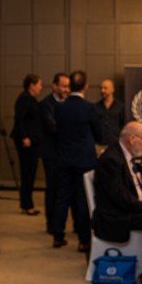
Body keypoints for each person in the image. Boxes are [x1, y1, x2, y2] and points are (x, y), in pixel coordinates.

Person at [93, 122, 142, 247]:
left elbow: (131, 169)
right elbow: (120, 197)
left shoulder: (121, 153)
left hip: (125, 209)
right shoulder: (111, 160)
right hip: (117, 217)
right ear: (132, 139)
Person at [53, 70, 104, 251]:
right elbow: (99, 134)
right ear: (86, 87)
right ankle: (83, 241)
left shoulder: (60, 107)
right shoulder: (90, 107)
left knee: (62, 197)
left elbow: (58, 132)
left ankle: (58, 237)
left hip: (64, 157)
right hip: (84, 159)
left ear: (70, 87)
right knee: (83, 199)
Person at [39, 73, 70, 233]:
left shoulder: (68, 103)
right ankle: (51, 224)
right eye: (63, 86)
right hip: (51, 154)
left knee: (65, 190)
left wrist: (60, 123)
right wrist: (67, 125)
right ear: (54, 86)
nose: (66, 89)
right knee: (52, 189)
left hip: (66, 153)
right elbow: (51, 127)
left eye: (68, 86)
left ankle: (62, 223)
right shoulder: (45, 104)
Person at [11, 74, 42, 215]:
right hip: (26, 141)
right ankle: (27, 205)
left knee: (30, 173)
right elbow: (19, 117)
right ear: (31, 85)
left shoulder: (31, 98)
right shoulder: (25, 97)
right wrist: (24, 136)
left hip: (32, 140)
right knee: (28, 173)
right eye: (39, 84)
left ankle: (27, 204)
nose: (41, 87)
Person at [95, 79, 125, 147]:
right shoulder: (96, 106)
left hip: (115, 144)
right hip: (99, 144)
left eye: (105, 88)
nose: (102, 90)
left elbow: (123, 125)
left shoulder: (120, 107)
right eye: (101, 88)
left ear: (112, 90)